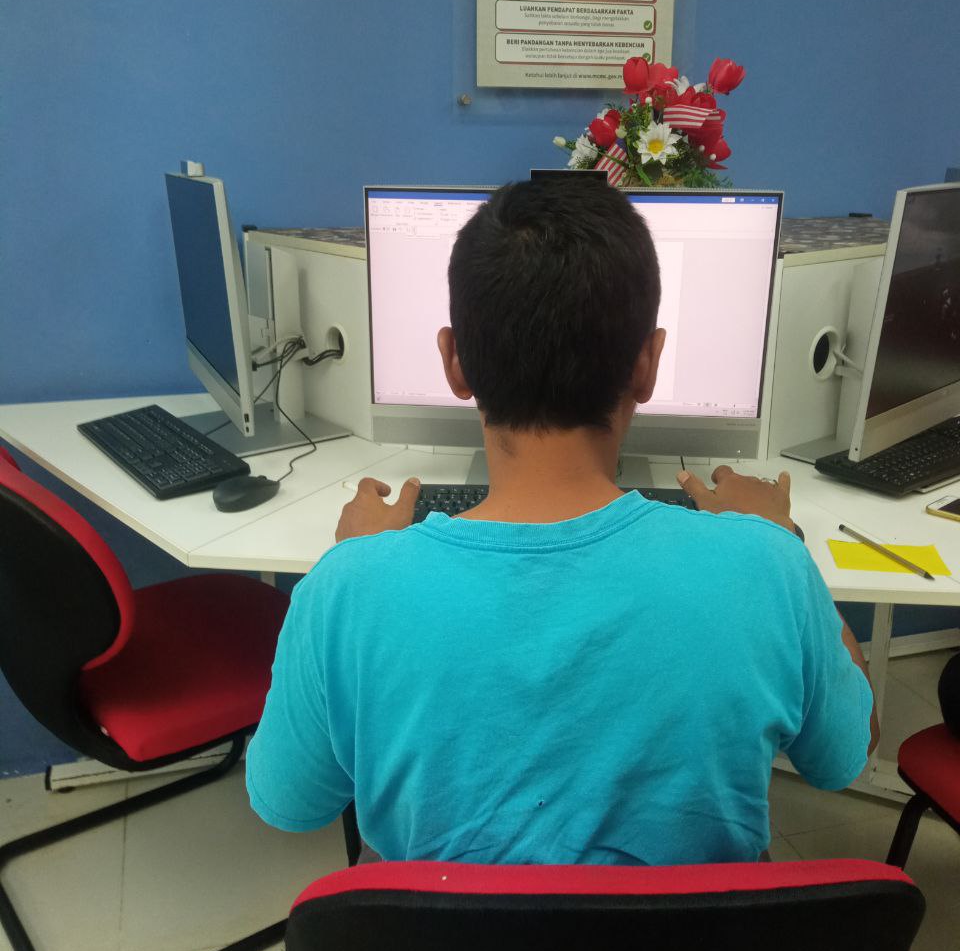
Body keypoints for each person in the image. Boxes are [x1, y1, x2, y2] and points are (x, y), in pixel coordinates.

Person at [246, 175, 877, 865]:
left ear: (454, 362)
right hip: (693, 939)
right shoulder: (768, 568)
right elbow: (847, 753)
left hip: (450, 940)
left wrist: (360, 561)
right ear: (647, 364)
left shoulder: (346, 591)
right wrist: (780, 539)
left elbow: (292, 802)